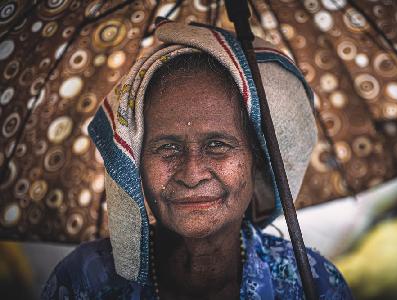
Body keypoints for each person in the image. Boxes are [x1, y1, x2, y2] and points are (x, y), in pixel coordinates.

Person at [42, 20, 352, 299]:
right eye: (167, 148)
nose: (191, 174)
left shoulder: (312, 284)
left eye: (217, 145)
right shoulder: (84, 282)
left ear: (255, 159)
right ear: (135, 159)